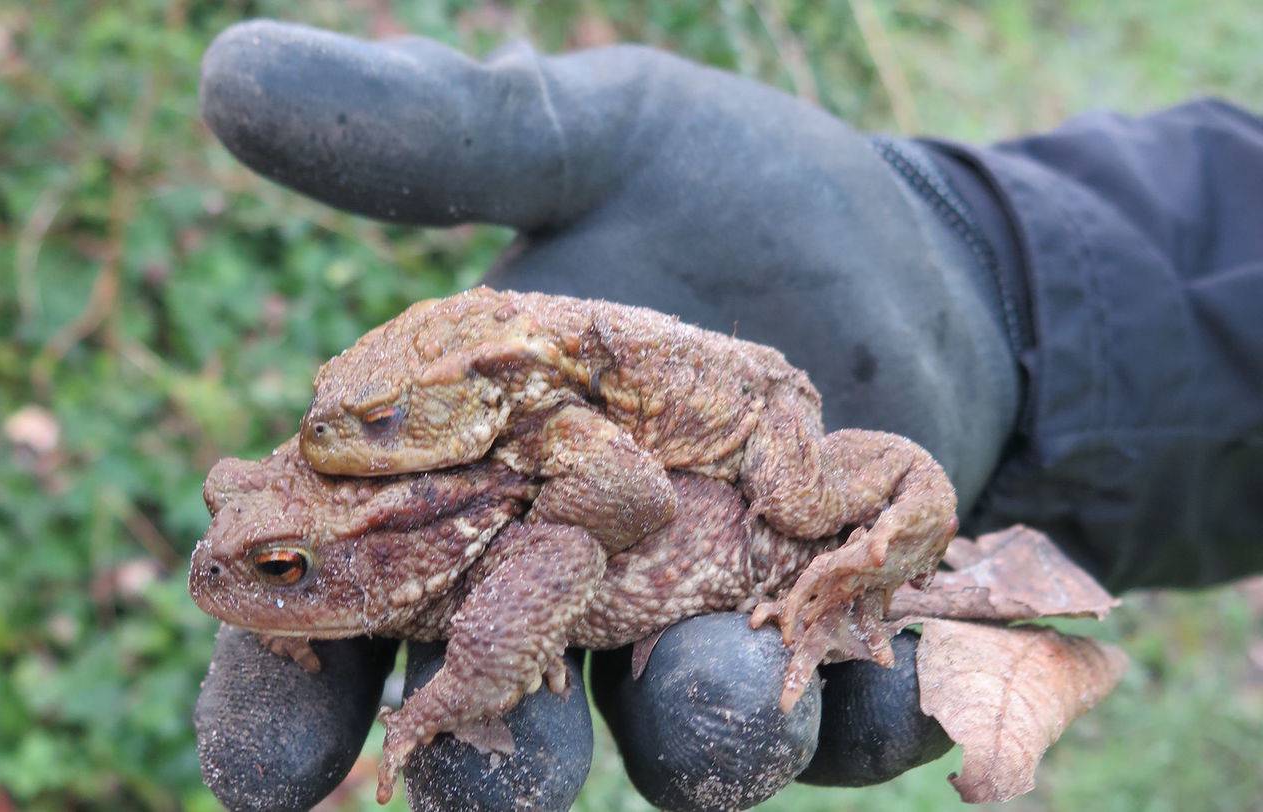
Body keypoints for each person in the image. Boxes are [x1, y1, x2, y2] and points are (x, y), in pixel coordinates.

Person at [190, 19, 1263, 811]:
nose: (217, 571)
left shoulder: (542, 456)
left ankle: (910, 536)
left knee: (803, 515)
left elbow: (585, 527)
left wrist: (462, 676)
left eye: (284, 564)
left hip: (739, 465)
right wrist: (1009, 278)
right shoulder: (467, 458)